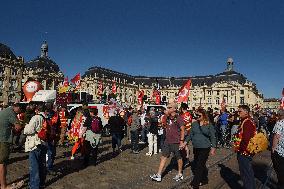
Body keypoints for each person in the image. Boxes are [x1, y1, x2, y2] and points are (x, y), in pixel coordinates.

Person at [150, 100, 185, 182]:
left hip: (176, 142)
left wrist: (182, 141)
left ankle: (180, 173)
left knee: (178, 158)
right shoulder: (167, 117)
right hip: (167, 141)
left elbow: (183, 130)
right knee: (163, 157)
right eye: (167, 107)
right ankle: (159, 175)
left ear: (174, 109)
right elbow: (164, 124)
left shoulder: (179, 118)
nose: (167, 109)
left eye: (169, 107)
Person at [182, 108, 216, 189]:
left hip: (205, 147)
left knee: (199, 166)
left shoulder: (209, 124)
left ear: (204, 115)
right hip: (196, 147)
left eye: (199, 115)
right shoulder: (194, 124)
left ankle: (195, 184)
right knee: (199, 164)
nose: (197, 116)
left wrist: (213, 147)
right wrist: (185, 142)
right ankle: (204, 179)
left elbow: (213, 137)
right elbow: (190, 135)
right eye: (196, 115)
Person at [24, 103, 48, 189]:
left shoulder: (36, 117)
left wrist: (26, 125)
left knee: (34, 166)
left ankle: (34, 186)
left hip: (35, 143)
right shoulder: (46, 117)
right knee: (42, 164)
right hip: (44, 142)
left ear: (37, 110)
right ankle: (42, 183)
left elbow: (28, 130)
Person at [0, 103, 23, 189]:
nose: (19, 112)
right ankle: (3, 186)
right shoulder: (11, 112)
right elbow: (18, 127)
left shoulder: (4, 111)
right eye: (20, 110)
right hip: (3, 140)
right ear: (16, 107)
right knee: (2, 163)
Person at [233, 105, 256, 189]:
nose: (238, 113)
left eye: (240, 111)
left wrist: (240, 149)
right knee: (247, 173)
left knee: (246, 174)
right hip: (244, 152)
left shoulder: (247, 122)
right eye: (238, 111)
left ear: (246, 112)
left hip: (244, 153)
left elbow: (246, 139)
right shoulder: (245, 121)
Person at [271, 109, 284, 189]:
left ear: (278, 115)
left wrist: (273, 148)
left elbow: (276, 136)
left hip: (280, 151)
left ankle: (281, 185)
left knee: (280, 169)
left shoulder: (280, 123)